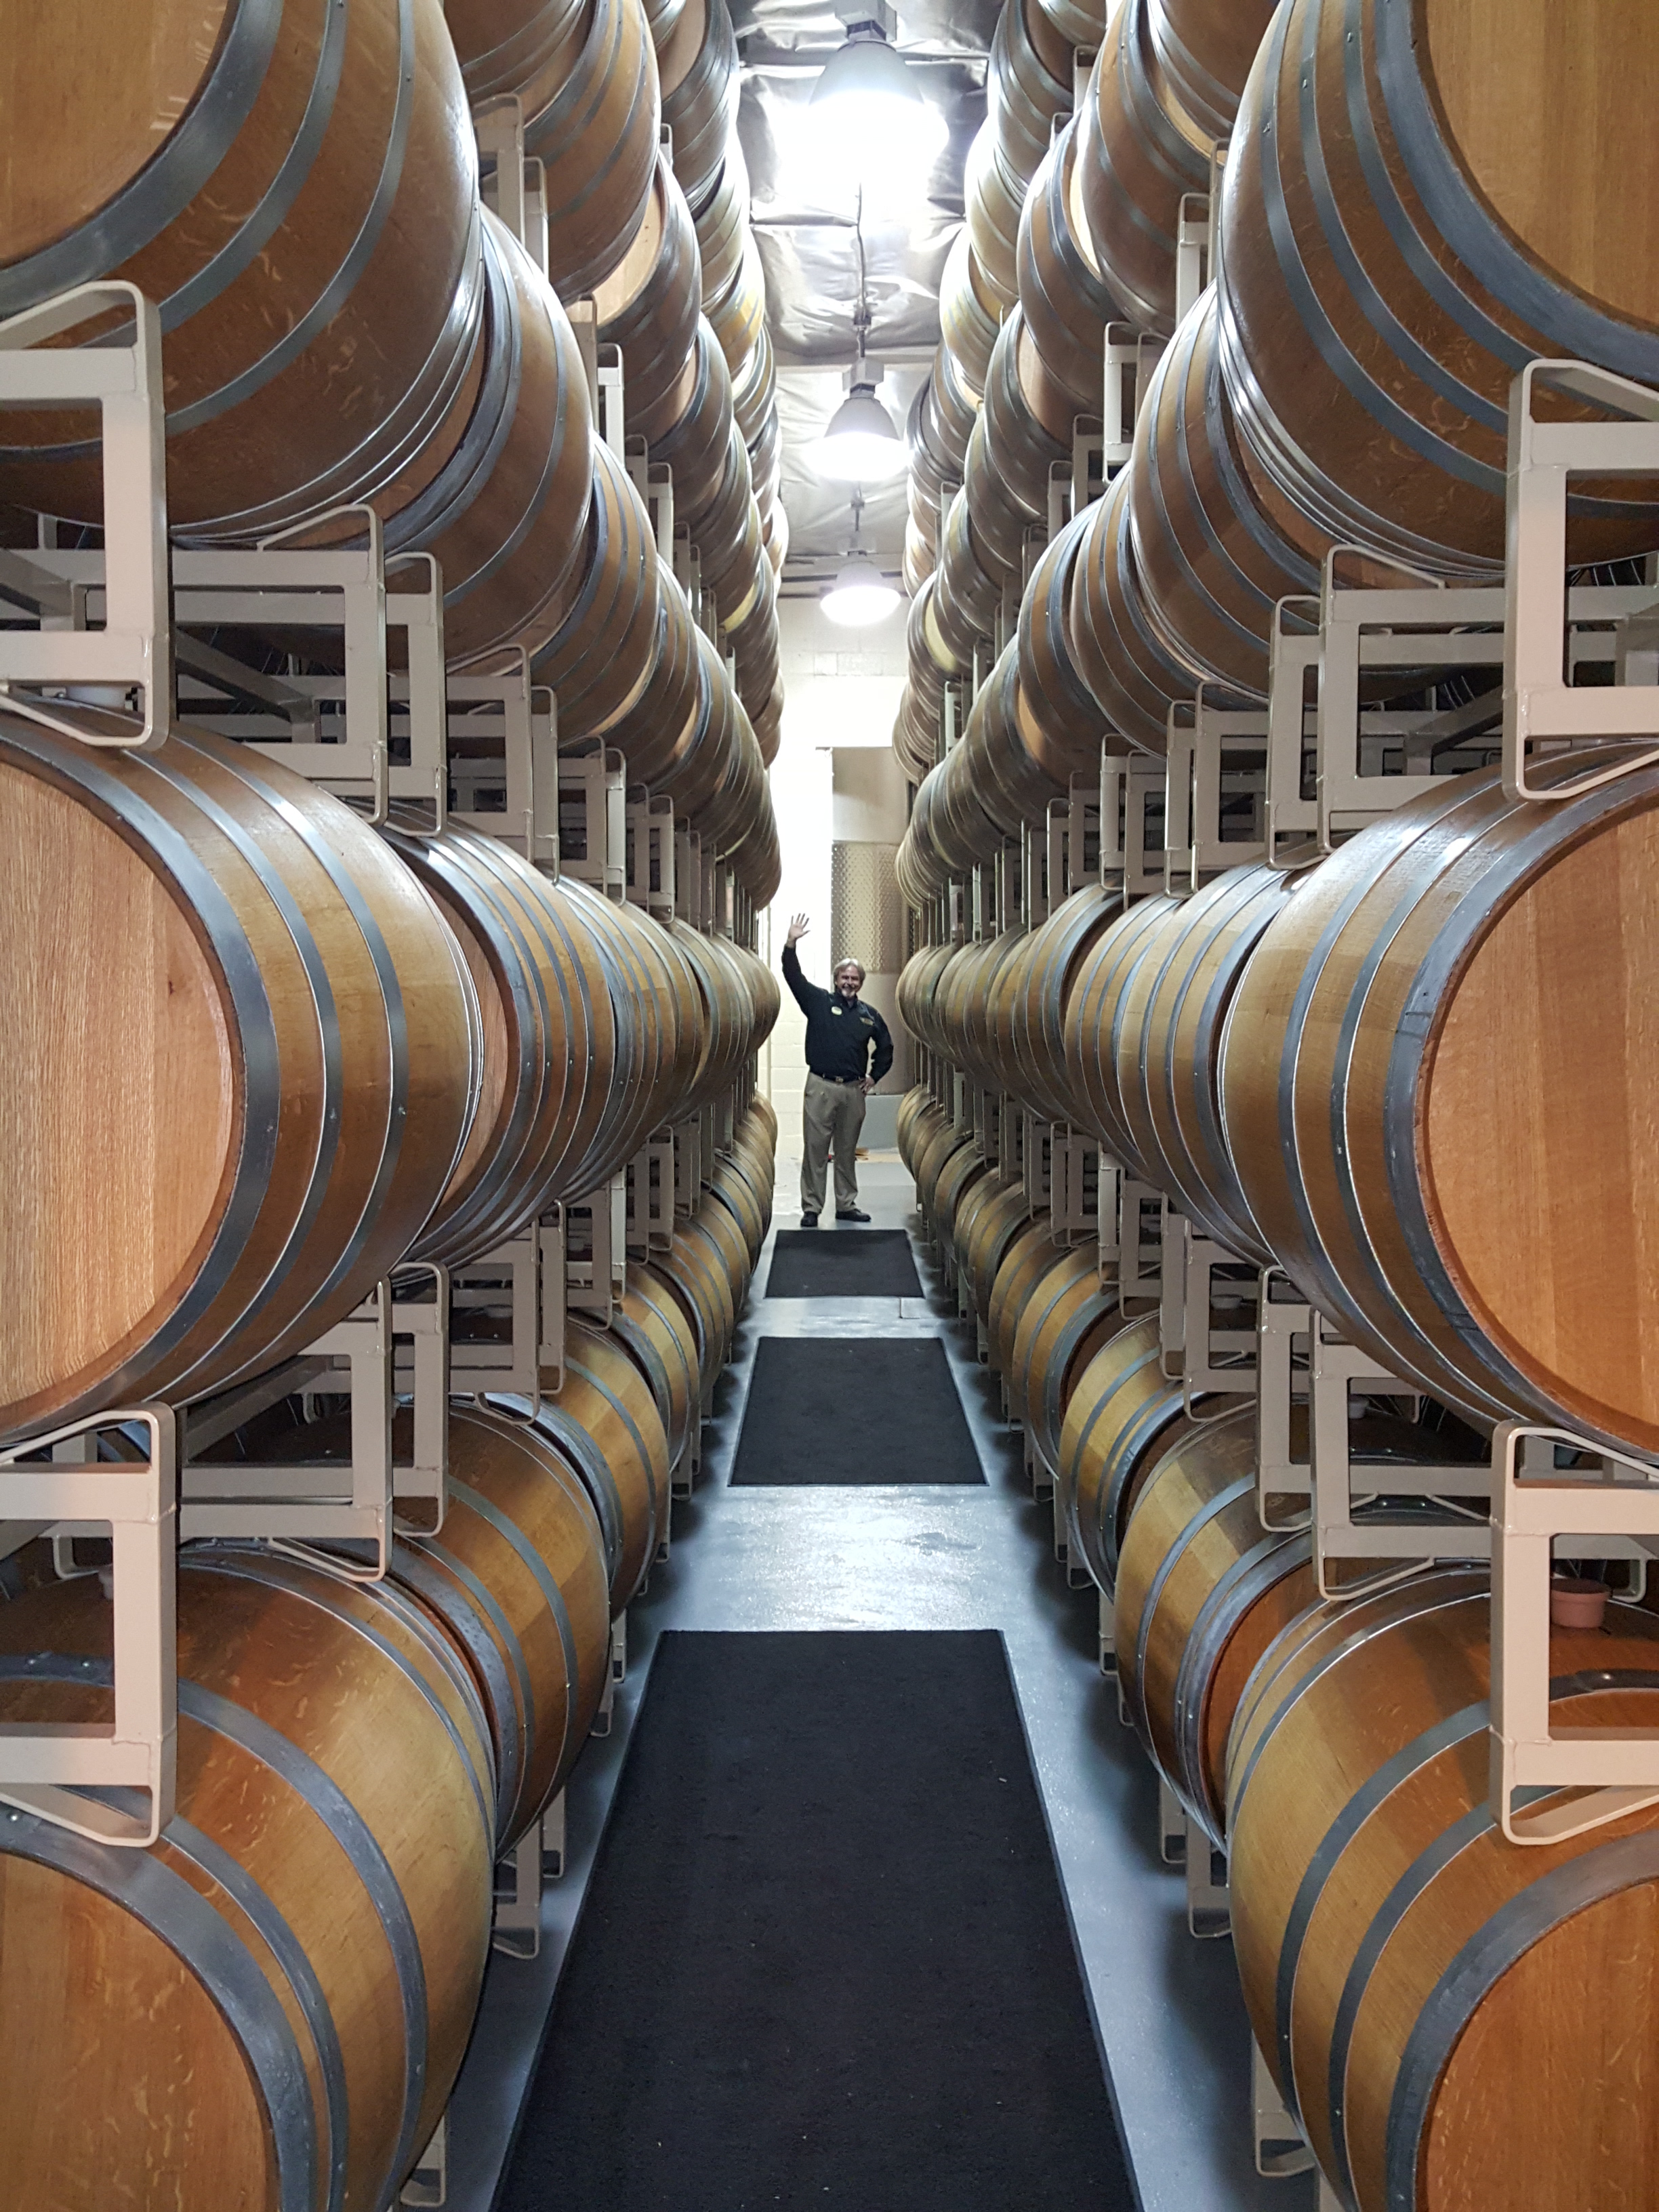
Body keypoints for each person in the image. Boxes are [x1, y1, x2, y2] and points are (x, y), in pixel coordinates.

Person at [781, 912, 893, 1227]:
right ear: (836, 979)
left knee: (846, 1152)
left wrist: (874, 1077)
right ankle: (812, 1208)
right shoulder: (817, 1002)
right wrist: (791, 944)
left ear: (860, 983)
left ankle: (846, 1204)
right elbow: (793, 977)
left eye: (854, 979)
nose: (849, 982)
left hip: (853, 1091)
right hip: (821, 1087)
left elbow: (886, 1047)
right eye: (845, 977)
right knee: (815, 1151)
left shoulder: (869, 1015)